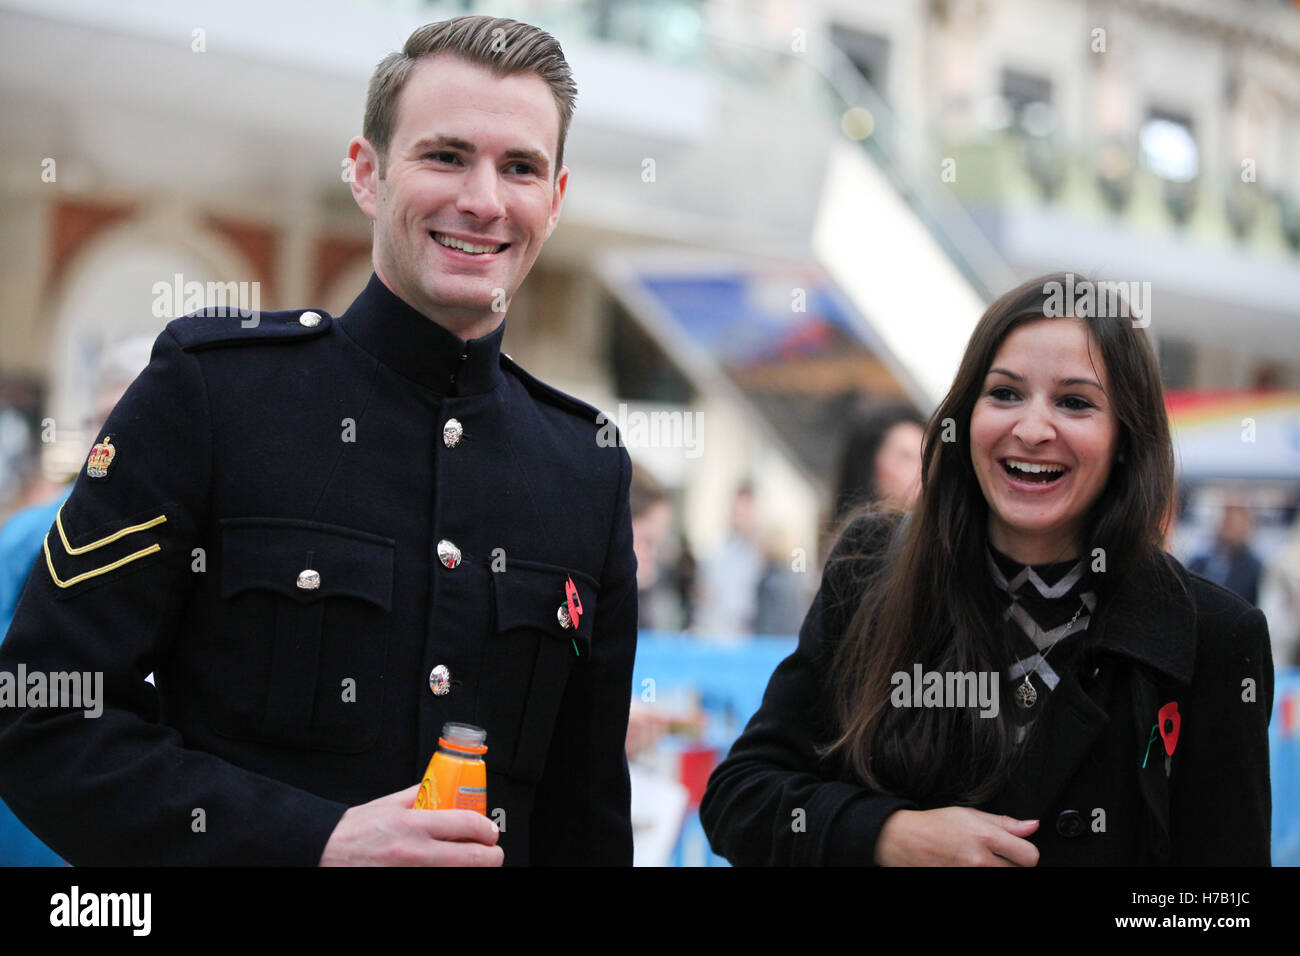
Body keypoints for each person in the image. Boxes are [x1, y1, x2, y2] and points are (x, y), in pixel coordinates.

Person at [0, 15, 637, 866]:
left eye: (519, 167)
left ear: (553, 203)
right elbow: (39, 713)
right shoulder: (213, 393)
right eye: (445, 155)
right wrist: (312, 841)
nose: (484, 199)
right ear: (367, 175)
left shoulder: (584, 466)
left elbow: (585, 820)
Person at [700, 274, 1274, 865]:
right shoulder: (870, 569)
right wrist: (890, 835)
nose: (1031, 429)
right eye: (1004, 394)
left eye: (1074, 402)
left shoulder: (1213, 635)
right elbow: (740, 797)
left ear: (1126, 437)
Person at [831, 399, 924, 525]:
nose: (920, 470)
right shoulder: (858, 534)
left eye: (925, 459)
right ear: (872, 464)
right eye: (906, 457)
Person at [1189, 503, 1263, 607]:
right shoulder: (1198, 562)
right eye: (1226, 522)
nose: (1228, 529)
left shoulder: (1254, 569)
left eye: (1234, 524)